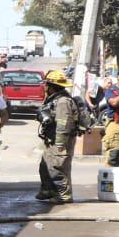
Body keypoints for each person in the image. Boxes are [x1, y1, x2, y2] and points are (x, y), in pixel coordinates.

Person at [37, 69, 78, 202]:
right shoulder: (54, 99)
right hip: (51, 139)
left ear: (51, 86)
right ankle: (48, 190)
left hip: (60, 141)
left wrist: (60, 143)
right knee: (45, 166)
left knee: (57, 168)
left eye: (46, 85)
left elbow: (63, 123)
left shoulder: (63, 102)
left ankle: (63, 195)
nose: (44, 87)